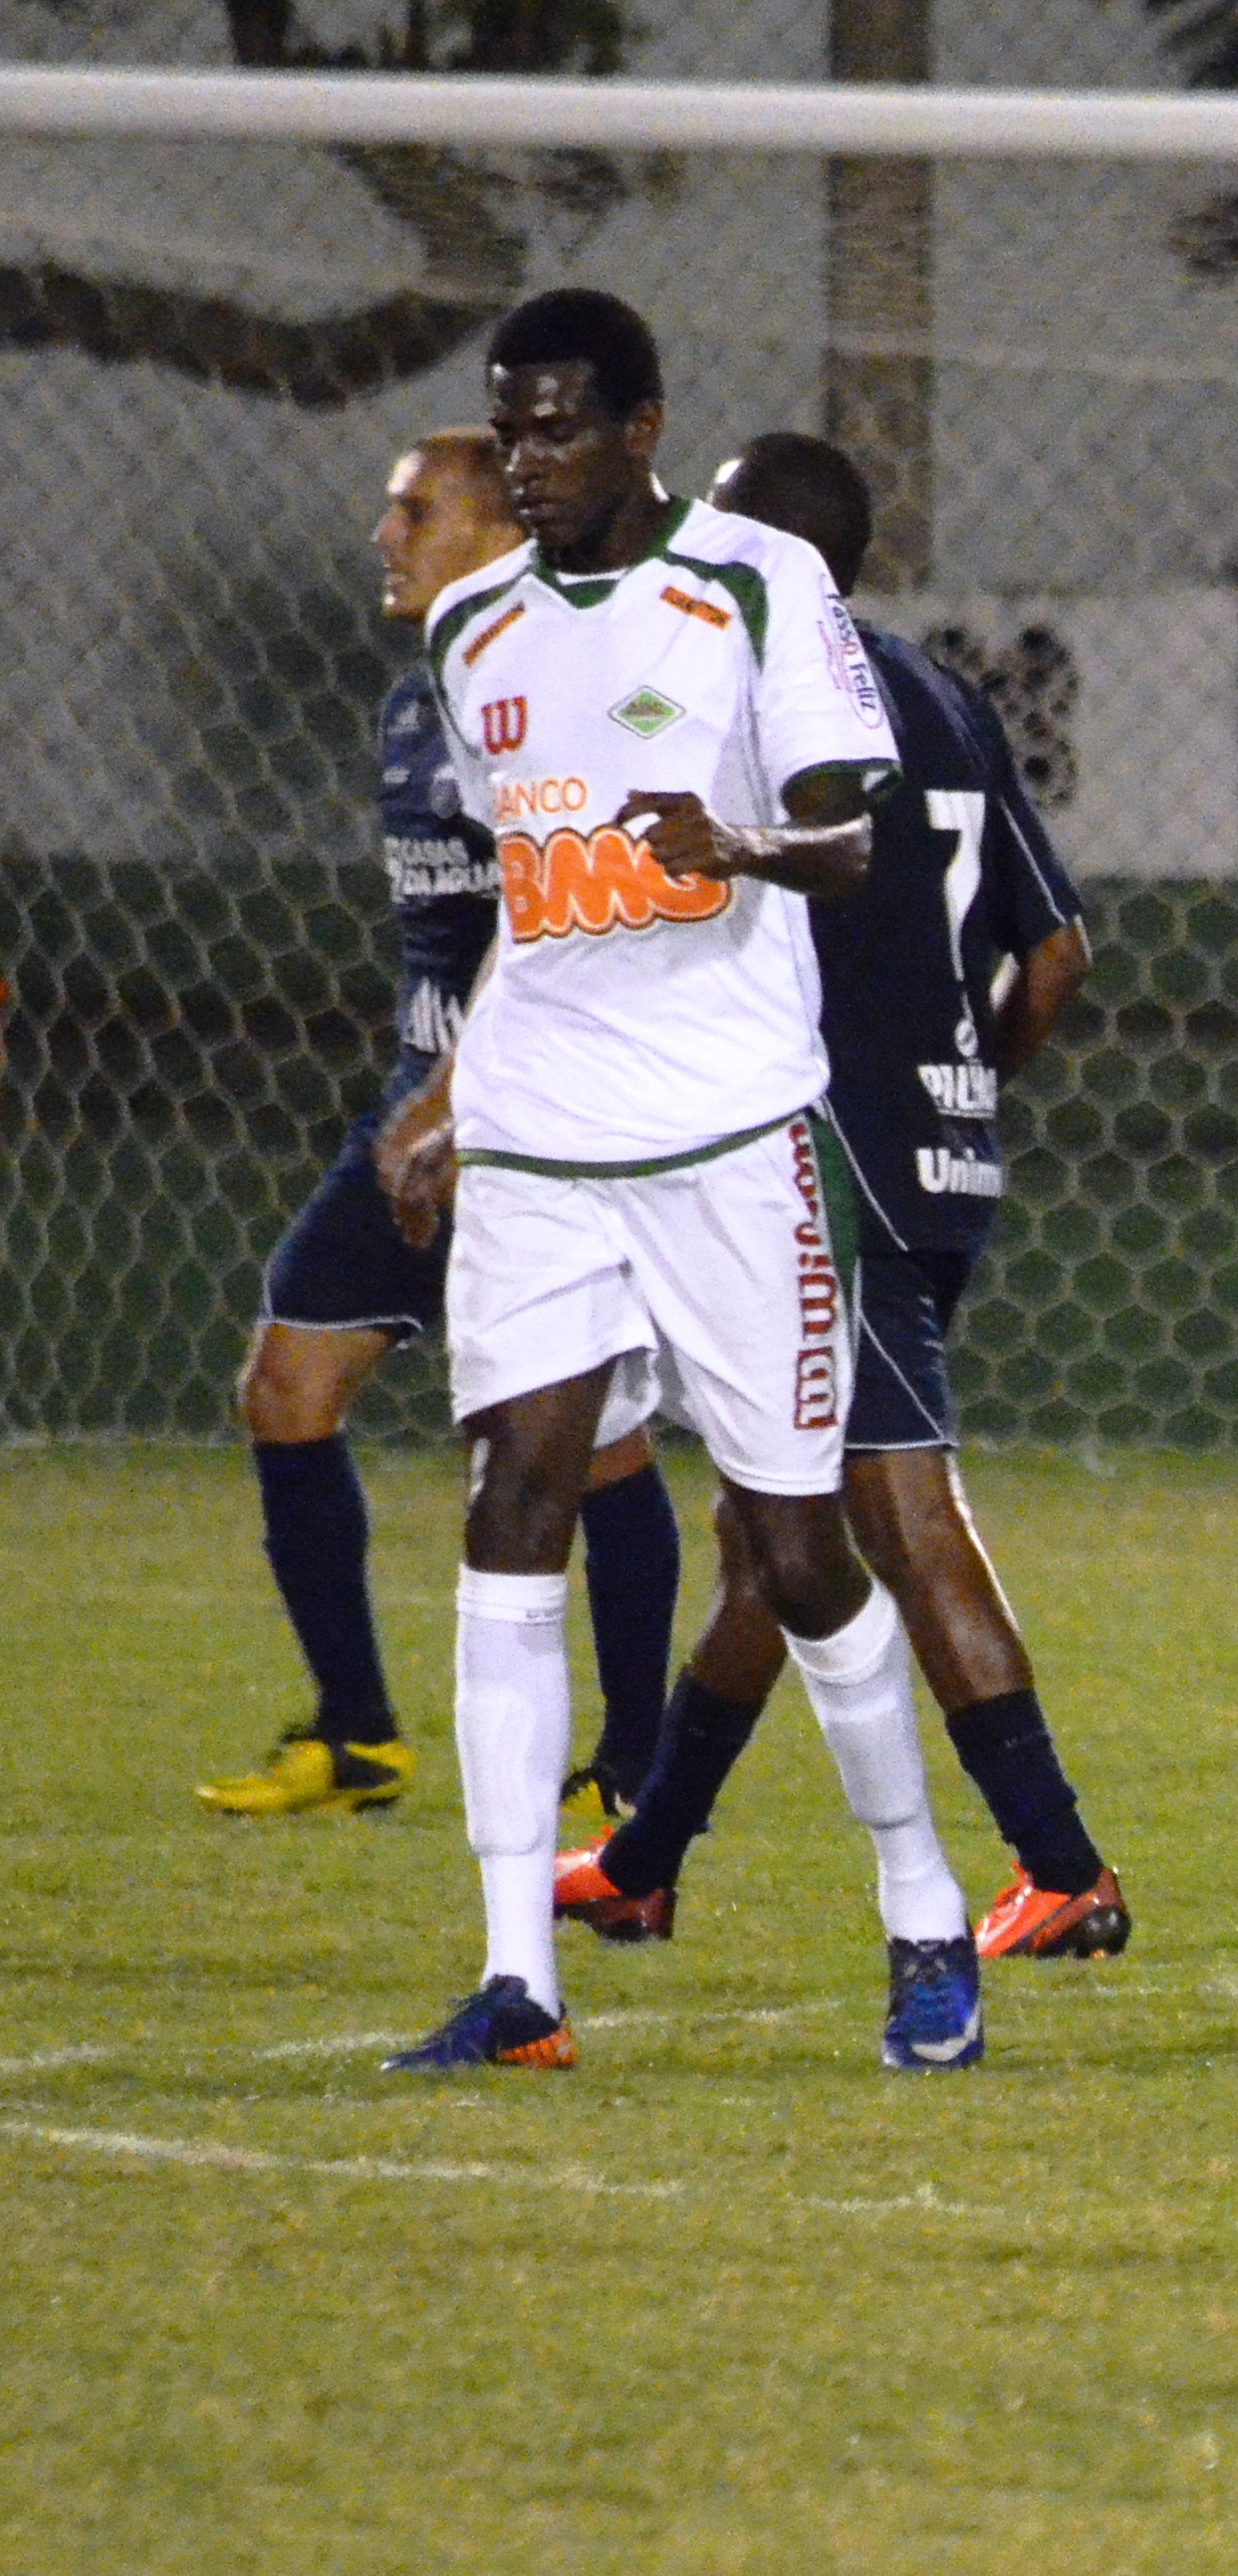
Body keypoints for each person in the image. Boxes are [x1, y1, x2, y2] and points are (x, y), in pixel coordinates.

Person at [375, 288, 983, 2076]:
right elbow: (529, 901)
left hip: (730, 1136)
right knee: (513, 1506)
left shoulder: (754, 585)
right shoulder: (474, 627)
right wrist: (451, 1099)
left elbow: (856, 841)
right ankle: (518, 1981)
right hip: (542, 1136)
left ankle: (922, 1908)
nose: (528, 460)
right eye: (510, 428)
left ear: (642, 428)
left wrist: (739, 842)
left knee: (796, 1551)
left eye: (560, 426)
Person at [551, 429, 1125, 1963]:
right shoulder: (939, 694)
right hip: (936, 1154)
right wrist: (960, 1085)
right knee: (770, 1534)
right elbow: (1057, 953)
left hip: (823, 1167)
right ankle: (644, 1861)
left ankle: (1060, 1863)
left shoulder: (751, 690)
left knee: (894, 1509)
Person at [198, 429, 680, 1821]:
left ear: (498, 533)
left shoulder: (561, 685)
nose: (383, 535)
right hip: (421, 1111)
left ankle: (634, 1774)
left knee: (592, 1447)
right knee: (287, 1387)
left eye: (414, 510)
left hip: (537, 1114)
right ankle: (358, 1735)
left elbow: (560, 916)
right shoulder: (423, 699)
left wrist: (465, 1094)